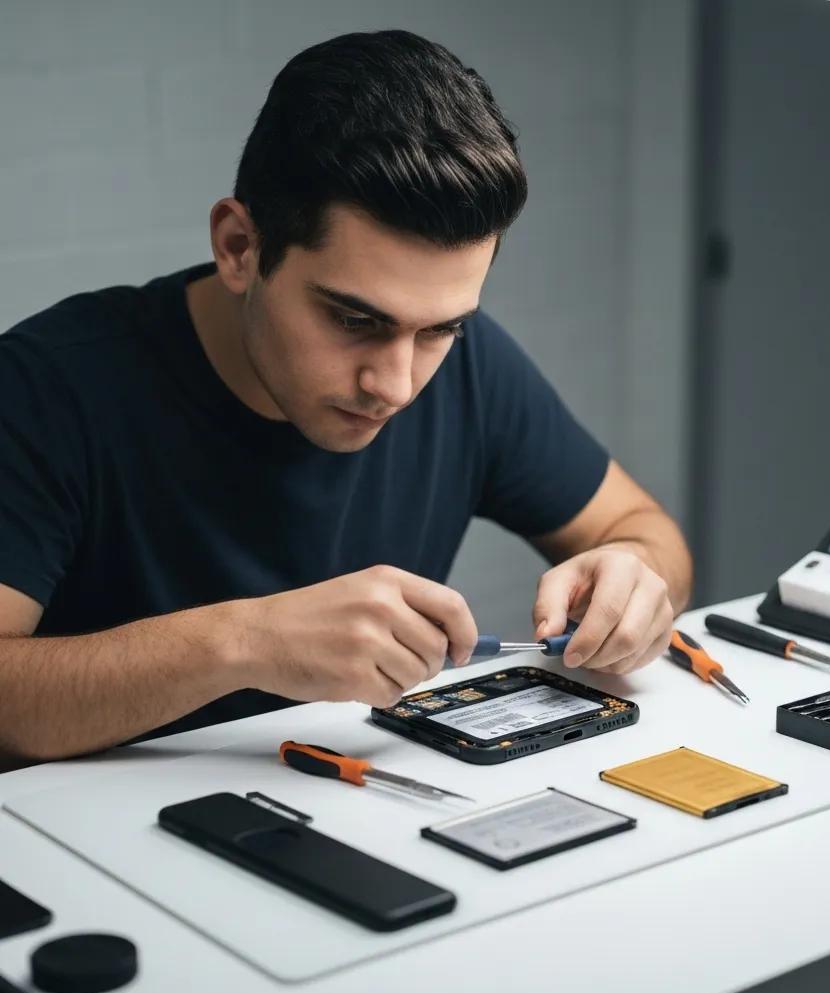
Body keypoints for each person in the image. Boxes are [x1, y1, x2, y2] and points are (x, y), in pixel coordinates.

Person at [0, 30, 692, 763]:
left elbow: (642, 527)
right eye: (355, 320)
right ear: (240, 247)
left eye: (441, 329)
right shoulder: (47, 387)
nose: (395, 385)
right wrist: (242, 642)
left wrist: (632, 580)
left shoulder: (470, 363)